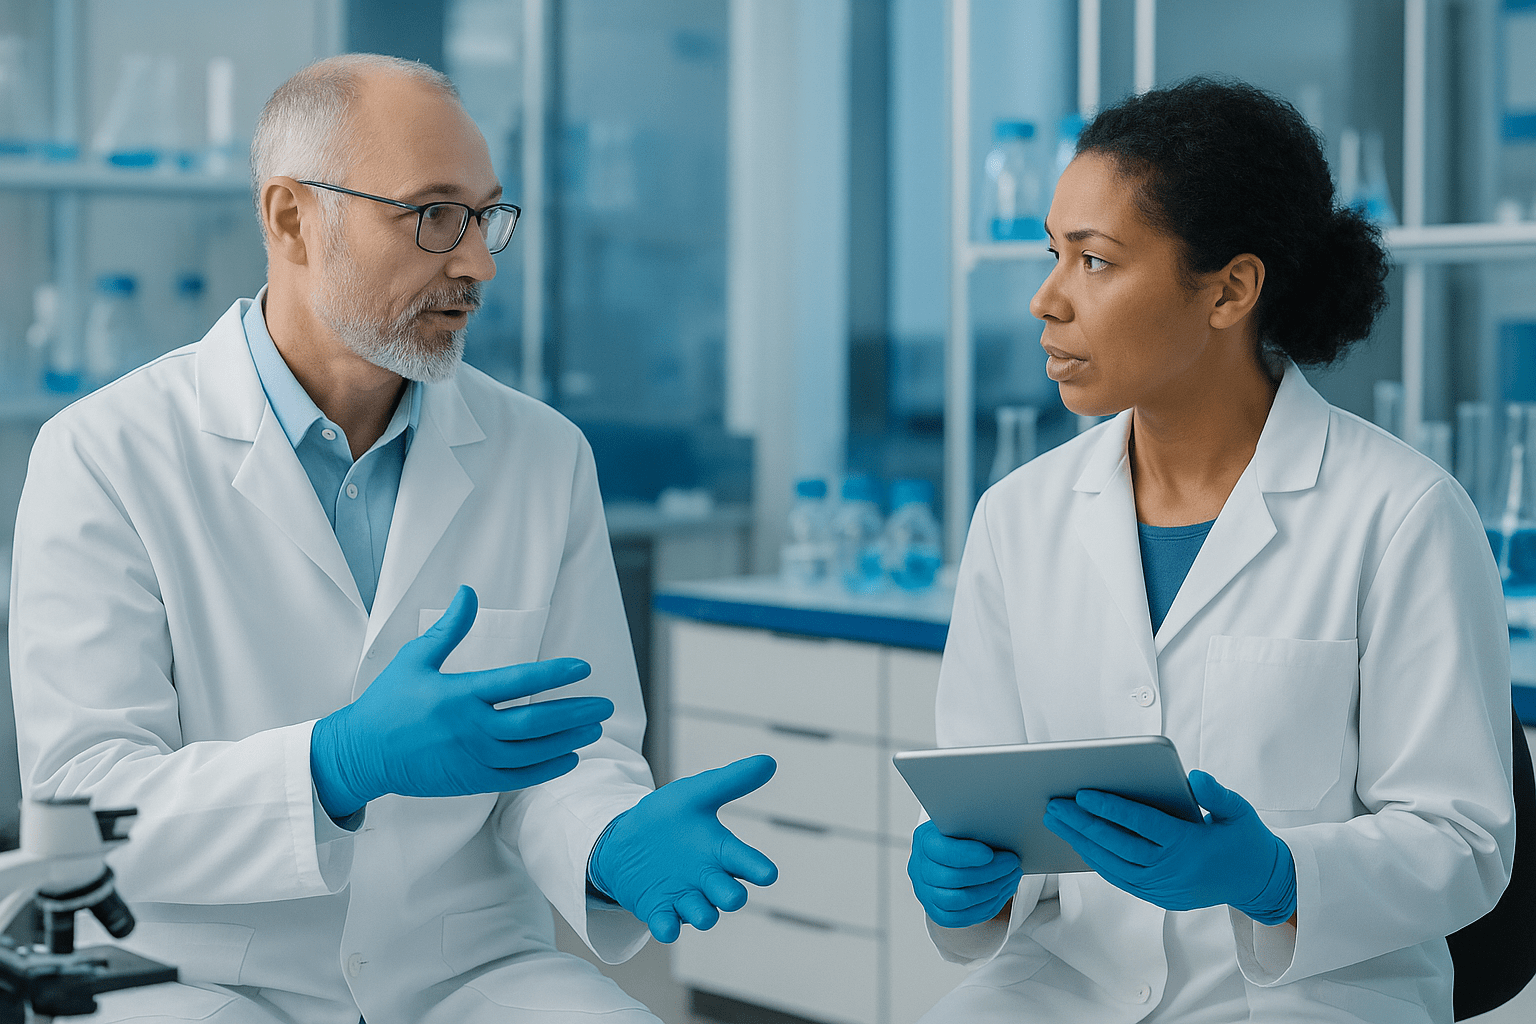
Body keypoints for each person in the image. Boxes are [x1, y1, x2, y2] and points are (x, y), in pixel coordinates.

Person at [9, 54, 778, 1024]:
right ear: (291, 217)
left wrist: (607, 836)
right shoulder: (105, 453)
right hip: (199, 971)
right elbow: (85, 803)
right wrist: (333, 764)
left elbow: (571, 750)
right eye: (432, 215)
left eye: (487, 216)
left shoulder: (543, 455)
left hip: (466, 970)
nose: (479, 262)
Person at [908, 78, 1514, 1023]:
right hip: (1068, 986)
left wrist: (1277, 877)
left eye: (1096, 262)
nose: (1046, 300)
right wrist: (967, 879)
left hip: (1310, 996)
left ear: (1229, 288)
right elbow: (987, 800)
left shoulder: (1402, 514)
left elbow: (1463, 841)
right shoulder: (1016, 518)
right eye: (1053, 253)